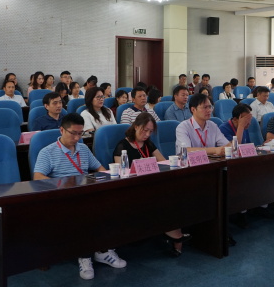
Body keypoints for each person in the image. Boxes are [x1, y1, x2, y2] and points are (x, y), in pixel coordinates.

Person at [33, 113, 126, 280]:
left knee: (114, 204)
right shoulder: (47, 152)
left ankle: (104, 251)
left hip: (85, 192)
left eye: (80, 134)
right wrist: (63, 185)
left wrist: (106, 177)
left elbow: (99, 168)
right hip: (62, 196)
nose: (77, 138)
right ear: (61, 130)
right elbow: (38, 177)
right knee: (84, 213)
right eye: (73, 133)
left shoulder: (83, 149)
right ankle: (85, 257)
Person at [112, 113, 191, 256]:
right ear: (136, 127)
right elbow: (121, 173)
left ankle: (174, 236)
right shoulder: (122, 146)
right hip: (133, 188)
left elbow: (163, 162)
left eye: (150, 131)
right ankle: (174, 236)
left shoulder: (148, 144)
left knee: (175, 194)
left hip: (152, 184)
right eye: (145, 130)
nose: (147, 134)